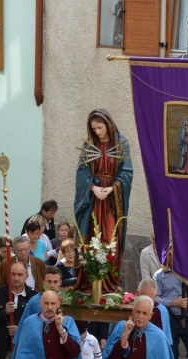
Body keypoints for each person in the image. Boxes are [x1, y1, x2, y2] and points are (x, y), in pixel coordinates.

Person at [74, 109, 133, 293]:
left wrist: (112, 187)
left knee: (110, 237)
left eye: (100, 127)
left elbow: (127, 171)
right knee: (91, 237)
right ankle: (89, 283)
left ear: (108, 124)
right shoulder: (89, 145)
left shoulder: (121, 144)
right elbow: (81, 173)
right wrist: (93, 188)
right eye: (94, 128)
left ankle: (110, 283)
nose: (98, 132)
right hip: (93, 199)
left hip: (111, 201)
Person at [138, 278, 172, 345]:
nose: (146, 302)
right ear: (138, 293)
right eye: (143, 297)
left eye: (149, 299)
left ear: (156, 295)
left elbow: (163, 338)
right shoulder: (131, 307)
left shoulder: (162, 311)